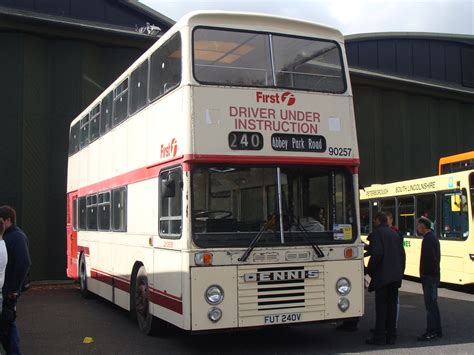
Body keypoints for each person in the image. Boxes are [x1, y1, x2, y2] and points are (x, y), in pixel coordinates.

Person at [365, 212, 405, 346]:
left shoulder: (377, 234)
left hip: (383, 277)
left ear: (377, 220)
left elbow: (377, 253)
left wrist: (368, 270)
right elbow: (402, 255)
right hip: (395, 276)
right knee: (392, 307)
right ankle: (391, 336)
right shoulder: (394, 234)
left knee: (381, 308)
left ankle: (379, 336)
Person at [0, 206, 31, 355]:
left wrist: (14, 289)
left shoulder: (16, 237)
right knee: (7, 324)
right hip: (6, 289)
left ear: (8, 220)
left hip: (8, 290)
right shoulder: (10, 236)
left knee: (8, 324)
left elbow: (24, 262)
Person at [416, 216, 442, 341]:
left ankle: (431, 331)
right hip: (434, 276)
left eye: (418, 226)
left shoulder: (427, 240)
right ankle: (437, 330)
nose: (417, 228)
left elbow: (430, 259)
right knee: (433, 305)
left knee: (430, 305)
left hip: (429, 277)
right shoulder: (433, 238)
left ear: (423, 227)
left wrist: (424, 274)